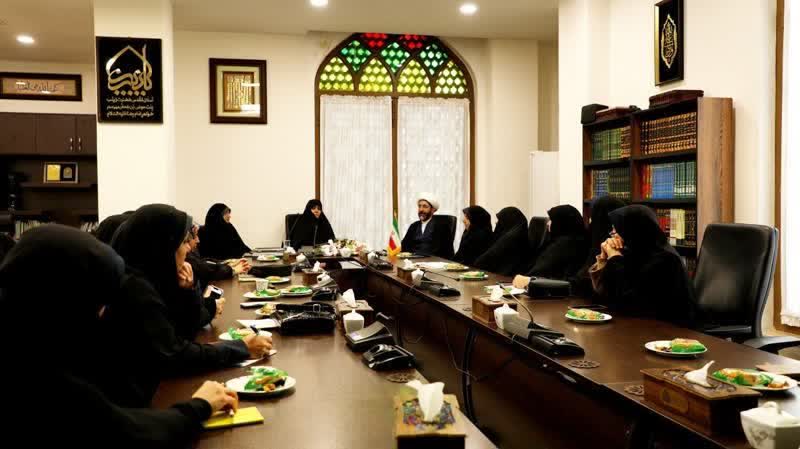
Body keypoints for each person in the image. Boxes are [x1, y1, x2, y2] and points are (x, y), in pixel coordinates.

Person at [0, 224, 239, 448]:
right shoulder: (43, 376)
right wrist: (201, 406)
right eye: (96, 302)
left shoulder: (30, 345)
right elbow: (126, 430)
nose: (103, 313)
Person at [100, 204, 272, 407]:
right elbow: (178, 355)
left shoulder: (151, 281)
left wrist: (186, 291)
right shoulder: (135, 291)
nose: (190, 248)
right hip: (144, 406)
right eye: (183, 242)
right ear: (162, 247)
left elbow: (184, 333)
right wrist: (241, 347)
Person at [589, 205, 695, 326]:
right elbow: (602, 298)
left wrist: (614, 257)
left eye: (616, 231)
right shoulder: (633, 253)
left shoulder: (666, 260)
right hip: (636, 326)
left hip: (668, 330)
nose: (612, 236)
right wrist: (603, 258)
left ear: (633, 230)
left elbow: (628, 302)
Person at [512, 205, 588, 287]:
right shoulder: (565, 241)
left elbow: (539, 273)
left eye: (551, 220)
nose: (548, 223)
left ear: (562, 222)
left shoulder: (563, 246)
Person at [569, 196, 627, 296]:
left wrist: (612, 256)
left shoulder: (618, 245)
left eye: (594, 217)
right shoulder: (593, 239)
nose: (591, 221)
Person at [186, 224, 250, 291]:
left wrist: (229, 262)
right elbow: (205, 269)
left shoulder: (192, 253)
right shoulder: (187, 257)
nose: (198, 240)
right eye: (195, 236)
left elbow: (204, 262)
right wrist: (232, 270)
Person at [473, 207, 529, 276]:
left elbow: (488, 257)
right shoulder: (515, 234)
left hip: (506, 277)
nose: (496, 222)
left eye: (499, 220)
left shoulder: (511, 238)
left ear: (508, 220)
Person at [400, 194, 454, 259]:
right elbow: (404, 246)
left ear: (433, 210)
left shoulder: (442, 227)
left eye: (425, 206)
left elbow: (448, 252)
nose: (421, 209)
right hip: (413, 261)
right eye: (419, 206)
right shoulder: (414, 226)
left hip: (434, 262)